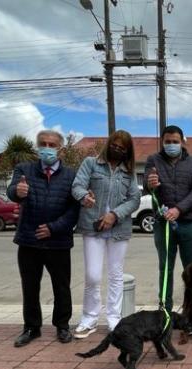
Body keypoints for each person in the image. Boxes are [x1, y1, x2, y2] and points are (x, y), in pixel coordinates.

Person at [6, 129, 80, 347]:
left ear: (61, 149)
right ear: (37, 146)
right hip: (29, 240)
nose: (47, 148)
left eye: (52, 145)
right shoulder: (24, 170)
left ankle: (63, 325)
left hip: (58, 240)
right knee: (30, 286)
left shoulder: (71, 175)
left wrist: (53, 228)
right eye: (43, 144)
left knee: (62, 286)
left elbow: (74, 210)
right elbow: (12, 191)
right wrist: (17, 192)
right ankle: (31, 327)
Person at [71, 130, 142, 338]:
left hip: (118, 229)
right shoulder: (91, 163)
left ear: (127, 151)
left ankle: (114, 319)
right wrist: (84, 197)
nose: (117, 150)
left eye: (122, 148)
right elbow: (77, 185)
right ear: (108, 144)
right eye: (114, 145)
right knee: (92, 275)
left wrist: (114, 215)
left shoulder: (129, 172)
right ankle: (89, 318)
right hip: (93, 227)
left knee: (115, 275)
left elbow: (134, 199)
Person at [144, 125, 192, 309]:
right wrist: (150, 184)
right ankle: (165, 312)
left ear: (182, 142)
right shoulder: (152, 160)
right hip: (163, 225)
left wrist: (179, 209)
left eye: (175, 142)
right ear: (162, 142)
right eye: (168, 142)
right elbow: (147, 187)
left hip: (188, 224)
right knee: (165, 269)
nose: (171, 145)